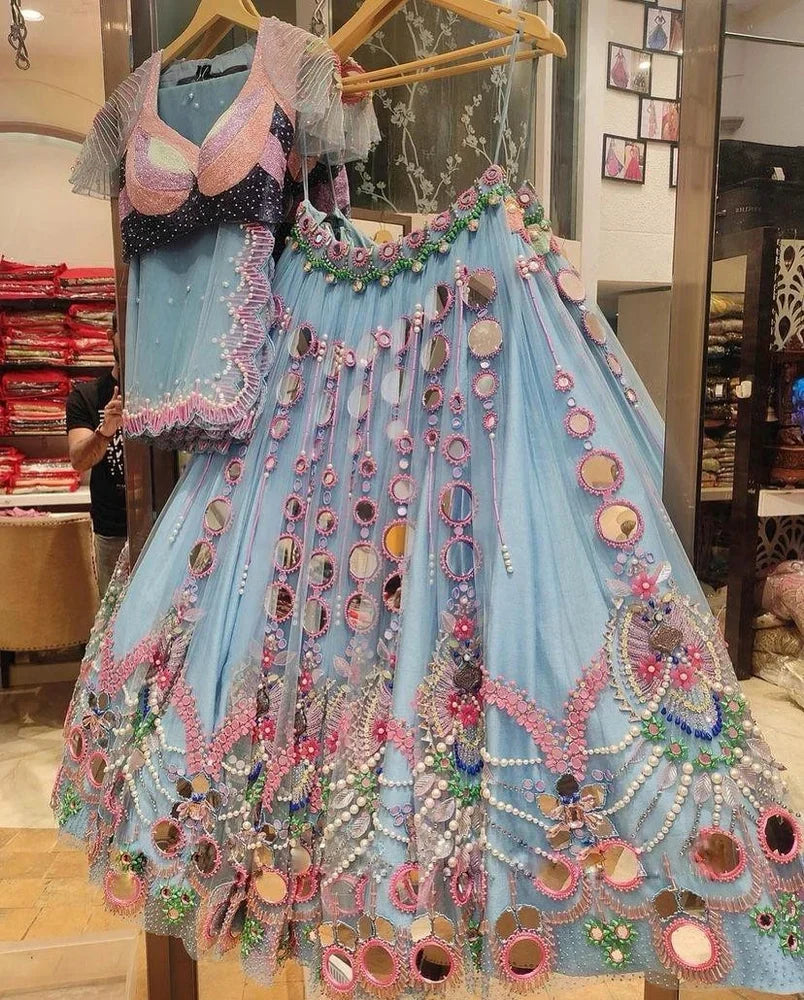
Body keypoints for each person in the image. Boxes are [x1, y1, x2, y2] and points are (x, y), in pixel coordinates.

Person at [66, 321, 126, 594]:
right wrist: (105, 432)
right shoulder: (87, 396)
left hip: (164, 526)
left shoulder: (168, 392)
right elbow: (79, 461)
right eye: (124, 333)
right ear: (111, 336)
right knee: (112, 613)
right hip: (112, 530)